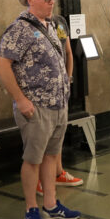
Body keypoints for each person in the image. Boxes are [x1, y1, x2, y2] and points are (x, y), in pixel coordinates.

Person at [0, 0, 81, 219]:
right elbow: (2, 65)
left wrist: (66, 82)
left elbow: (63, 54)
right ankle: (31, 208)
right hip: (36, 106)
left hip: (57, 103)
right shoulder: (20, 29)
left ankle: (51, 205)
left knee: (52, 156)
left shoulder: (50, 25)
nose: (51, 1)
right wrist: (20, 100)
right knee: (32, 159)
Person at [36, 13, 83, 196]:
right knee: (43, 137)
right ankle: (40, 179)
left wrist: (68, 78)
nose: (50, 0)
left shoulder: (59, 22)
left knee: (58, 133)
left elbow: (68, 51)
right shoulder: (29, 26)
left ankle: (57, 172)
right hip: (41, 92)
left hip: (61, 88)